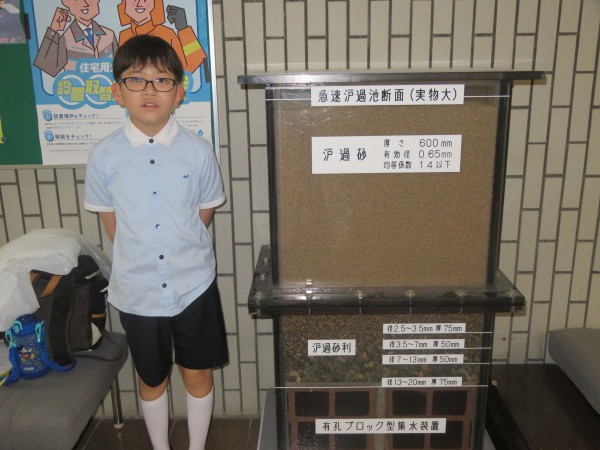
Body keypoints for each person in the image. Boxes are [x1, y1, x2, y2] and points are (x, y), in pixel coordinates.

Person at [84, 35, 228, 450]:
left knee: (197, 373)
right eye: (136, 79)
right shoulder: (103, 156)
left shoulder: (199, 151)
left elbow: (203, 213)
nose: (149, 90)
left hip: (194, 285)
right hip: (138, 291)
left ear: (179, 92)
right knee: (151, 378)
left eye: (162, 80)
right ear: (117, 92)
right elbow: (113, 224)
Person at [34, 0, 118, 77]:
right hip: (78, 87)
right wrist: (54, 29)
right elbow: (48, 68)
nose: (85, 4)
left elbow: (120, 66)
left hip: (107, 87)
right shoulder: (66, 39)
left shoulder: (109, 34)